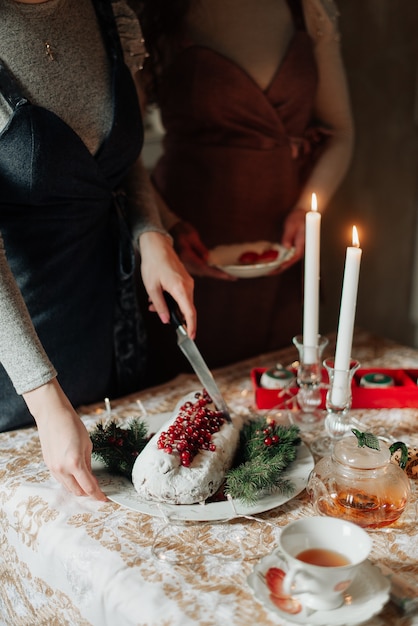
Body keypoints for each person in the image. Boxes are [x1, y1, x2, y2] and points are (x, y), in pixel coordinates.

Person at [0, 0, 196, 500]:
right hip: (19, 364)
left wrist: (151, 233)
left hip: (116, 327)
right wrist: (45, 399)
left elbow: (118, 158)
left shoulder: (107, 11)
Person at [134, 0, 354, 381]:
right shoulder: (149, 15)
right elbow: (126, 153)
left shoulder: (308, 8)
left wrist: (306, 209)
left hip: (285, 244)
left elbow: (342, 132)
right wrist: (168, 227)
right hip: (189, 240)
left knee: (285, 387)